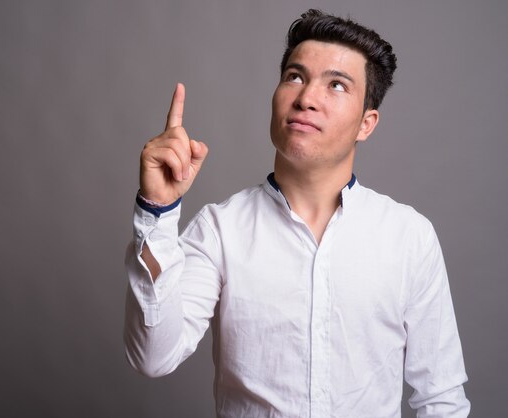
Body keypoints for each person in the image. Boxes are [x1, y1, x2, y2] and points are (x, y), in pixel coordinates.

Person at [124, 9, 470, 418]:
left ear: (367, 123)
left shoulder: (408, 236)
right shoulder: (221, 229)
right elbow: (152, 358)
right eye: (295, 76)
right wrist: (158, 211)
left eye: (337, 85)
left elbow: (441, 398)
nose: (306, 98)